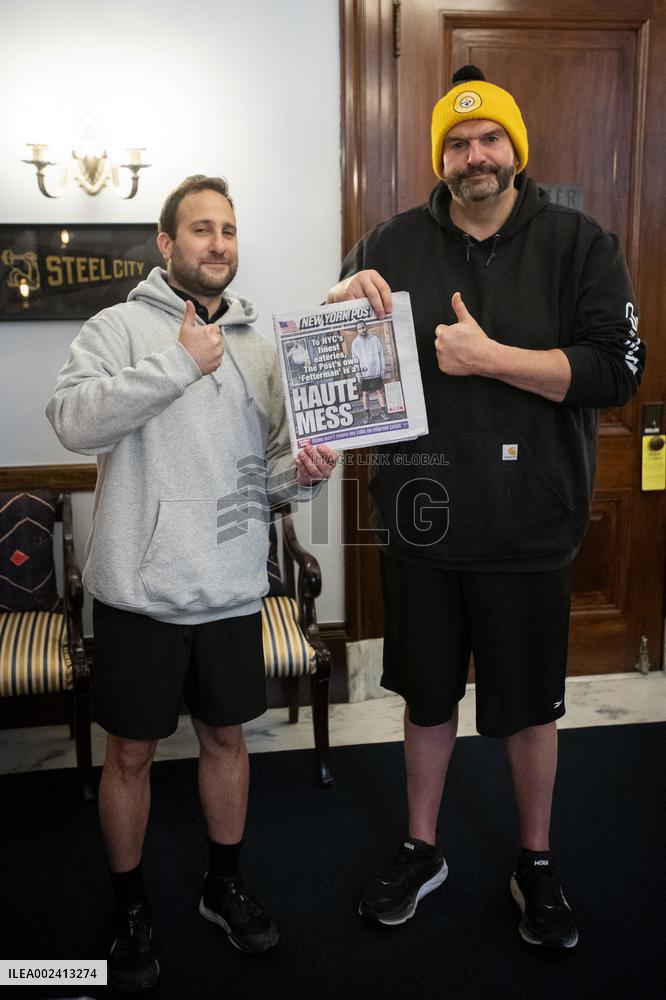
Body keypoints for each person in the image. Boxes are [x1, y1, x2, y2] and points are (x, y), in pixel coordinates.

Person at [326, 66, 644, 948]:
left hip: (531, 525)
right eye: (459, 143)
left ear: (515, 149)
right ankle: (420, 845)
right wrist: (336, 313)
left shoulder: (581, 243)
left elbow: (618, 372)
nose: (475, 155)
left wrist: (494, 358)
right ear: (442, 156)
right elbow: (341, 373)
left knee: (529, 706)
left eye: (490, 138)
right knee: (426, 699)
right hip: (421, 521)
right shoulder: (387, 241)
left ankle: (535, 860)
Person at [47, 174, 336, 992]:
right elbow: (71, 421)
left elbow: (276, 473)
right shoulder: (114, 328)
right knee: (130, 754)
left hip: (231, 589)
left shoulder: (259, 344)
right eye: (202, 229)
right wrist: (176, 364)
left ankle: (223, 883)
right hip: (139, 592)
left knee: (226, 741)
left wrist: (308, 475)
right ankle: (131, 903)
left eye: (230, 230)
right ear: (166, 244)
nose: (219, 244)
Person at [350, 320, 390, 422]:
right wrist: (358, 374)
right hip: (364, 374)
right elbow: (355, 360)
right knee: (365, 394)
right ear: (357, 330)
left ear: (366, 327)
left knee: (379, 392)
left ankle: (383, 411)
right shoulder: (355, 343)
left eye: (363, 327)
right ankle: (367, 414)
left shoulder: (375, 339)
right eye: (359, 329)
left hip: (376, 372)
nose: (362, 330)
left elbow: (381, 354)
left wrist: (383, 368)